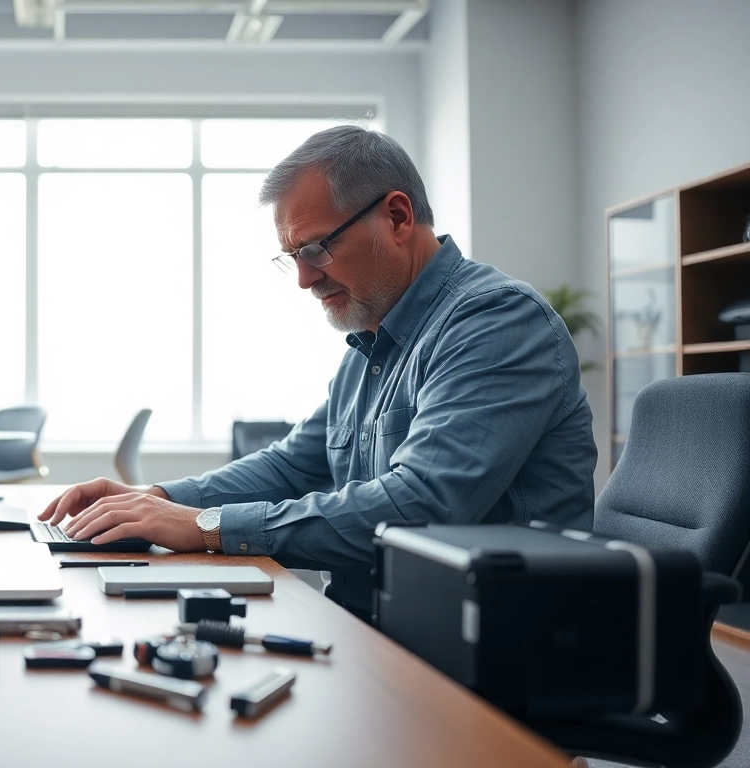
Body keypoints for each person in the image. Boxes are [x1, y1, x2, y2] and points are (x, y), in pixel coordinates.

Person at [38, 125, 597, 618]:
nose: (305, 280)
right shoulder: (373, 343)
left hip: (479, 658)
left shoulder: (496, 321)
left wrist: (206, 525)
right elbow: (294, 466)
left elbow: (422, 506)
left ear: (397, 217)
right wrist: (155, 499)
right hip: (385, 640)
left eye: (317, 250)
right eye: (293, 257)